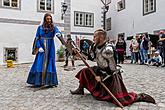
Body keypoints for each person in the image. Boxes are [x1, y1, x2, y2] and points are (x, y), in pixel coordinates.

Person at [70, 29, 155, 106]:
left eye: (95, 36)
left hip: (111, 74)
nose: (93, 38)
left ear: (101, 37)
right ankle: (80, 89)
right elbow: (92, 58)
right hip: (100, 69)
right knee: (84, 71)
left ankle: (139, 96)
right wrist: (79, 53)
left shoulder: (108, 50)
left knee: (121, 100)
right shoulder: (94, 46)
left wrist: (102, 77)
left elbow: (113, 69)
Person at [27, 13, 65, 87]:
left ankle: (50, 82)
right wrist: (39, 47)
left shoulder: (53, 27)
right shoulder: (40, 28)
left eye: (50, 19)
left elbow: (57, 31)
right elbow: (37, 38)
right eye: (47, 19)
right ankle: (38, 81)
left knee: (50, 63)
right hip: (42, 48)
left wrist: (58, 34)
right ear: (45, 19)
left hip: (50, 47)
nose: (49, 20)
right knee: (39, 63)